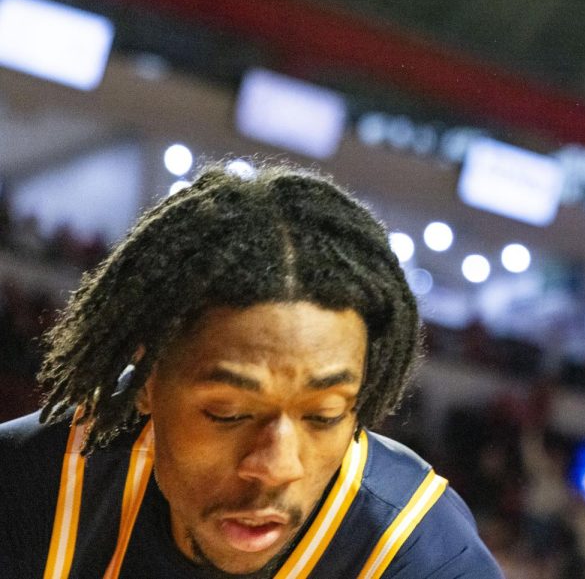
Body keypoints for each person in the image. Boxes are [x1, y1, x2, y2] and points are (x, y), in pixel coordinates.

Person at [0, 163, 502, 578]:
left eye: (324, 415)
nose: (277, 465)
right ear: (147, 378)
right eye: (229, 412)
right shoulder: (29, 486)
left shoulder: (421, 556)